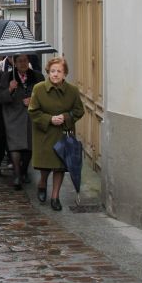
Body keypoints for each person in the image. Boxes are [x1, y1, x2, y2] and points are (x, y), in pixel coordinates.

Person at [28, 57, 84, 211]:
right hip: (44, 134)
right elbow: (33, 112)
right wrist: (50, 119)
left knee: (59, 167)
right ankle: (42, 183)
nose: (55, 74)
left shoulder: (72, 91)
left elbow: (79, 110)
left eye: (59, 71)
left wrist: (65, 118)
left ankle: (55, 197)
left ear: (64, 74)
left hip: (62, 134)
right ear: (48, 72)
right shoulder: (39, 89)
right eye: (53, 71)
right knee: (45, 167)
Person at [0, 54, 45, 190]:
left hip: (31, 116)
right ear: (14, 63)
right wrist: (10, 89)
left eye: (25, 60)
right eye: (20, 61)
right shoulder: (7, 77)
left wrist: (32, 100)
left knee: (29, 145)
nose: (23, 63)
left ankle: (24, 171)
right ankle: (17, 175)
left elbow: (44, 95)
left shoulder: (37, 76)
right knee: (15, 145)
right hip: (13, 116)